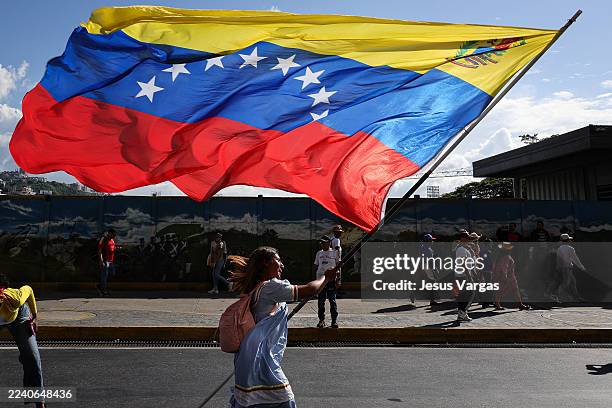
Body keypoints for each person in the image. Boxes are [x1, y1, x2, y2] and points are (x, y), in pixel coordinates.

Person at [227, 247, 340, 407]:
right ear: (266, 263)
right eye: (278, 260)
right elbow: (310, 289)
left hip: (251, 356)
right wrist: (325, 277)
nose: (282, 265)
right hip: (262, 360)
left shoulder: (258, 288)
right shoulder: (270, 287)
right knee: (285, 401)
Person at [0, 274, 45, 408]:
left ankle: (39, 402)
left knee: (32, 357)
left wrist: (35, 316)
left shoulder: (15, 298)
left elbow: (29, 289)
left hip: (19, 316)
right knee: (27, 356)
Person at [493, 242, 530, 310]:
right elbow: (504, 268)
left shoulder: (502, 256)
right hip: (507, 277)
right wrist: (505, 277)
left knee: (514, 290)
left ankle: (520, 304)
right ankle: (497, 304)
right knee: (502, 291)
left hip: (509, 277)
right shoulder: (506, 257)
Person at [314, 235, 340, 328]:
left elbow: (338, 266)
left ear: (329, 243)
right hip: (320, 280)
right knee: (321, 301)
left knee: (332, 300)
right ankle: (321, 320)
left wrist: (338, 279)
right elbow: (316, 266)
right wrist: (316, 281)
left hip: (331, 280)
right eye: (321, 243)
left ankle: (334, 321)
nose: (322, 244)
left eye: (324, 242)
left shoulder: (334, 253)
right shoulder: (319, 253)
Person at [552, 233, 586, 302]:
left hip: (562, 267)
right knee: (566, 283)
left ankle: (576, 297)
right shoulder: (570, 249)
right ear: (567, 241)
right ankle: (556, 295)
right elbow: (575, 259)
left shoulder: (559, 249)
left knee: (573, 282)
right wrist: (581, 267)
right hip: (567, 268)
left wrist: (558, 267)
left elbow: (558, 259)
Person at [455, 230, 477, 322]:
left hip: (462, 275)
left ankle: (462, 313)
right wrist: (469, 276)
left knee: (463, 295)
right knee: (470, 293)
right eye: (467, 238)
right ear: (463, 238)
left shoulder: (463, 248)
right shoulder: (461, 249)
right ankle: (463, 312)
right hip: (463, 276)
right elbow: (463, 264)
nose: (469, 240)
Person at [420, 233, 441, 306]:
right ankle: (432, 300)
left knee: (427, 283)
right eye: (431, 240)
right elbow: (430, 261)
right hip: (428, 266)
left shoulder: (422, 247)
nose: (432, 242)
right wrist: (434, 270)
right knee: (433, 282)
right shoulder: (428, 249)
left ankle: (413, 293)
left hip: (424, 266)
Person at [97, 228, 117, 296]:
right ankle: (103, 291)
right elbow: (99, 250)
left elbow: (113, 248)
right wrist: (101, 260)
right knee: (104, 276)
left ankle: (100, 286)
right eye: (113, 235)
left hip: (111, 261)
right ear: (109, 233)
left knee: (112, 273)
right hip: (105, 261)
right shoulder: (103, 239)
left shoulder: (112, 240)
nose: (114, 236)